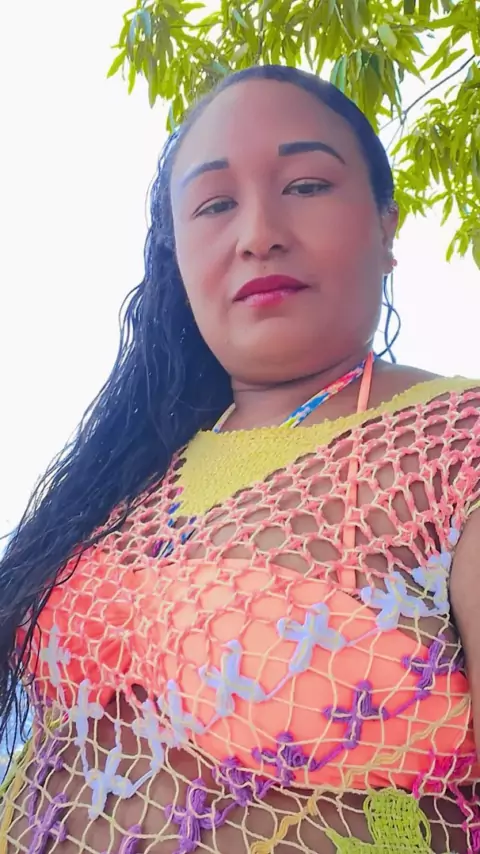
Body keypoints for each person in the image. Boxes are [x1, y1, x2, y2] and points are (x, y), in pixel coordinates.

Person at [1, 63, 480, 854]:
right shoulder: (121, 476)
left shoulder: (458, 442)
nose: (260, 233)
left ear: (387, 226)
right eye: (216, 204)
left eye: (306, 185)